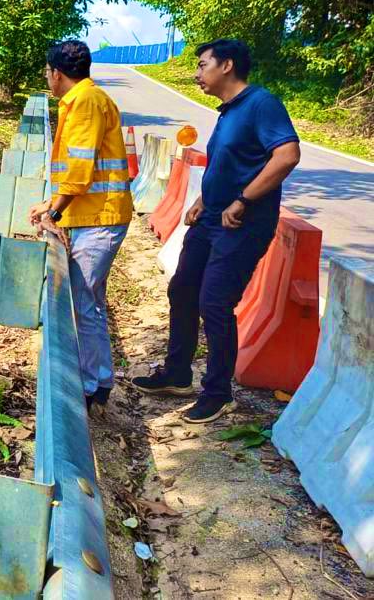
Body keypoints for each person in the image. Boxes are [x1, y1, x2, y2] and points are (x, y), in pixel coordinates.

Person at [132, 39, 300, 423]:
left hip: (242, 224)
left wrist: (244, 199)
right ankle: (177, 373)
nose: (197, 73)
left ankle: (218, 392)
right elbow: (228, 164)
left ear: (226, 65)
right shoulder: (228, 112)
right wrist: (202, 200)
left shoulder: (261, 104)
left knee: (215, 303)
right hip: (211, 219)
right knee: (183, 288)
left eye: (202, 64)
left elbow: (288, 154)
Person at [30, 40, 133, 412]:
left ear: (56, 73)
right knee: (89, 301)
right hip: (93, 216)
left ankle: (93, 385)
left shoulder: (87, 103)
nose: (47, 78)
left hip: (99, 219)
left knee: (83, 303)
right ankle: (99, 378)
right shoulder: (82, 100)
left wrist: (53, 212)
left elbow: (79, 169)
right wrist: (51, 204)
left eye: (47, 72)